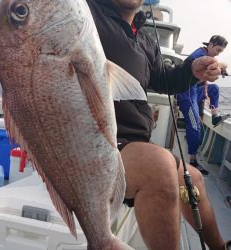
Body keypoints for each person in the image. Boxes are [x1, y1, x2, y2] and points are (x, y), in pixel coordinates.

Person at [86, 0, 231, 249]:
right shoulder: (85, 15)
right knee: (159, 165)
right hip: (90, 143)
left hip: (132, 143)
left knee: (193, 179)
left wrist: (191, 72)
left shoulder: (143, 34)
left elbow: (162, 79)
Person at [176, 35, 230, 175]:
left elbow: (198, 78)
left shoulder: (206, 53)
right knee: (195, 126)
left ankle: (215, 116)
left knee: (214, 88)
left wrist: (219, 69)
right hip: (186, 93)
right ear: (211, 44)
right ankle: (193, 160)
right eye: (217, 49)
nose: (218, 53)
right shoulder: (200, 54)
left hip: (194, 90)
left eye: (220, 52)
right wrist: (221, 67)